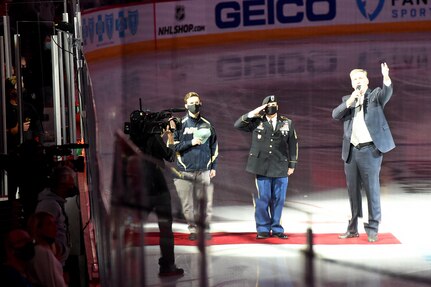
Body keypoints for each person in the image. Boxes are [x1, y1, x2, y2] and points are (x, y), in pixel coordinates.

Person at [332, 63, 394, 243]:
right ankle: (352, 228)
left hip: (369, 150)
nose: (358, 81)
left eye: (360, 78)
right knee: (353, 192)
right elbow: (335, 115)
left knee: (372, 190)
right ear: (352, 83)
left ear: (367, 81)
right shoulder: (348, 99)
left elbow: (386, 93)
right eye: (354, 79)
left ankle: (373, 228)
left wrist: (386, 78)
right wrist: (351, 101)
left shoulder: (374, 96)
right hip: (351, 151)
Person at [234, 95, 298, 239]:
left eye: (275, 103)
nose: (272, 106)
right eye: (269, 104)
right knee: (263, 198)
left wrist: (292, 164)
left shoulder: (286, 122)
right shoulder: (257, 121)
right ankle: (262, 228)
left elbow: (293, 144)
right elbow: (238, 125)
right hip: (261, 166)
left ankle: (276, 228)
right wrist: (254, 113)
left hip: (280, 165)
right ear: (263, 107)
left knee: (279, 199)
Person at [128, 115, 184, 277]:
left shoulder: (134, 138)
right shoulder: (154, 138)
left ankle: (127, 265)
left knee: (136, 225)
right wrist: (170, 136)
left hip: (141, 187)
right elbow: (170, 155)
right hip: (157, 187)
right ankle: (168, 265)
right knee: (165, 228)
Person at [172, 92, 218, 241]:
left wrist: (213, 167)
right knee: (188, 204)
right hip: (185, 170)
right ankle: (193, 229)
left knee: (204, 203)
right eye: (192, 102)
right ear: (186, 105)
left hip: (204, 170)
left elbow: (214, 146)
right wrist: (190, 143)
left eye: (197, 102)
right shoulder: (180, 124)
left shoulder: (207, 124)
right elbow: (173, 147)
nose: (195, 105)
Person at [35, 166, 78, 266]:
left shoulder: (54, 203)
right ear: (61, 185)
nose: (73, 188)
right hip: (53, 263)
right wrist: (58, 251)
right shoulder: (49, 205)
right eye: (71, 185)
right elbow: (42, 235)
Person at [27, 211, 67, 287]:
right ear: (38, 229)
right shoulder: (41, 252)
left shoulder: (46, 250)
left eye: (54, 223)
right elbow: (51, 282)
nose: (55, 227)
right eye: (49, 224)